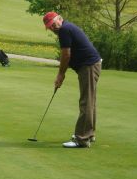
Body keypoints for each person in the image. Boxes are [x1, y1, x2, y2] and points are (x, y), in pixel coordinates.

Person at [43, 12, 102, 148]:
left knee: (86, 102)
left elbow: (66, 54)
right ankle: (89, 134)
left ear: (59, 19)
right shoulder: (66, 28)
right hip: (90, 65)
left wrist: (60, 75)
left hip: (88, 66)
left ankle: (82, 139)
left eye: (53, 24)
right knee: (90, 101)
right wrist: (61, 74)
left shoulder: (64, 29)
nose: (53, 28)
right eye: (50, 27)